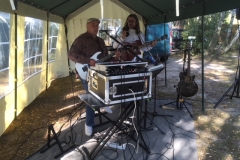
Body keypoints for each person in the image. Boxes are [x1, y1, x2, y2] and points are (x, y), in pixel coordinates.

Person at [68, 18, 121, 136]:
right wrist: (88, 60)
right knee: (92, 96)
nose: (96, 27)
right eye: (93, 25)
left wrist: (115, 57)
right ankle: (89, 123)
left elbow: (105, 58)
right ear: (87, 26)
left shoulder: (101, 41)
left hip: (98, 71)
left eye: (97, 25)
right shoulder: (81, 39)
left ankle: (103, 104)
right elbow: (71, 55)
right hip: (85, 71)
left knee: (107, 87)